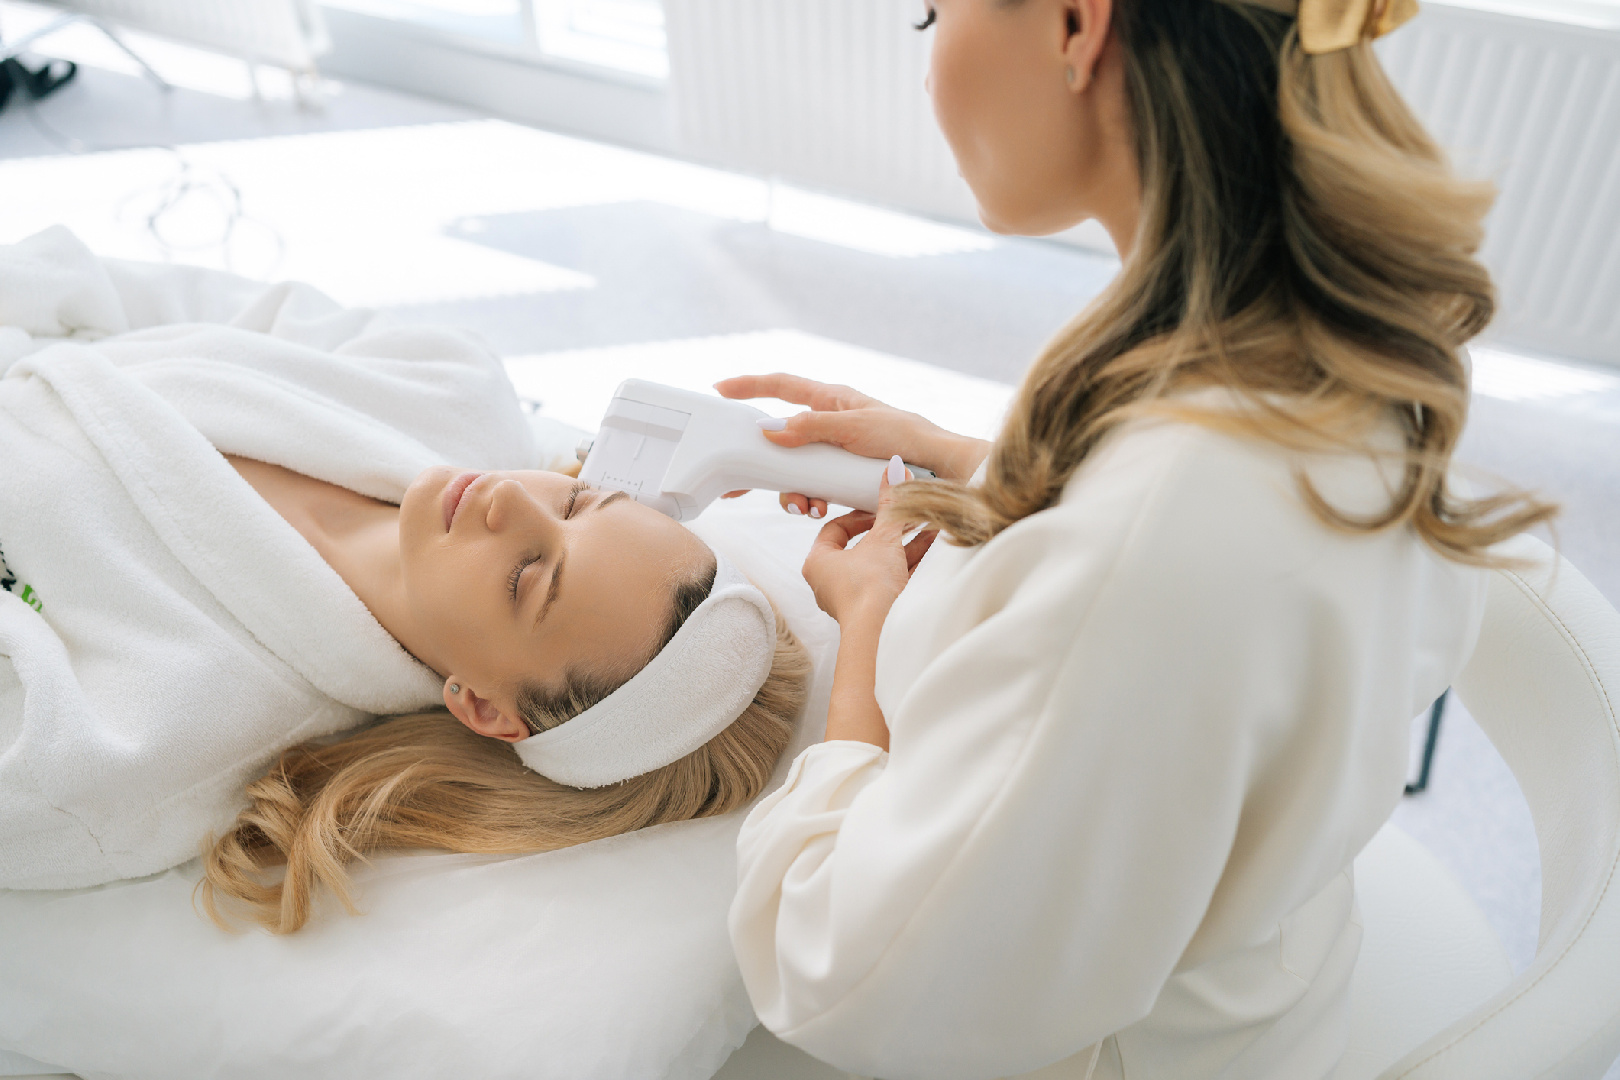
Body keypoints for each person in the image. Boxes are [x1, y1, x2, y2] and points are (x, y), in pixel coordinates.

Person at [719, 1, 1554, 1078]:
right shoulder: (1346, 335)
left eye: (931, 14)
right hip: (1260, 977)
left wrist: (864, 638)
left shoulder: (1152, 546)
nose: (927, 73)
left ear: (1076, 23)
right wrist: (971, 460)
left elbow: (845, 979)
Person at [0, 227, 809, 934]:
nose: (509, 498)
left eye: (528, 575)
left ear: (484, 706)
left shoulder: (153, 741)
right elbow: (177, 294)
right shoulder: (449, 383)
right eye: (576, 500)